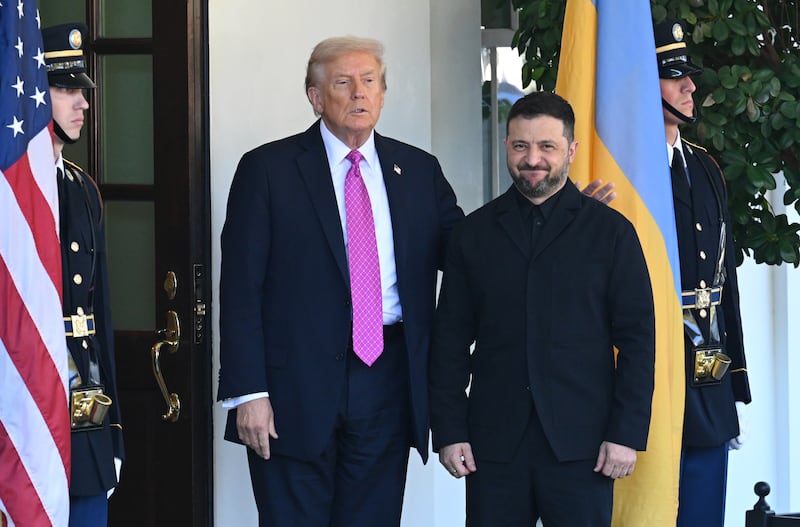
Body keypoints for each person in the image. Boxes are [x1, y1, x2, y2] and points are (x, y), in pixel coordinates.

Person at [216, 36, 464, 526]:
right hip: (292, 391)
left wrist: (562, 213)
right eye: (344, 83)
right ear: (315, 96)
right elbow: (241, 287)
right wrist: (249, 392)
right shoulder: (266, 170)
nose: (359, 94)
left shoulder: (417, 170)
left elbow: (469, 254)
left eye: (369, 82)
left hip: (387, 381)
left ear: (383, 93)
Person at [429, 91, 656, 526]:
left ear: (571, 150)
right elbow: (450, 341)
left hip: (585, 447)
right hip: (492, 448)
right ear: (506, 147)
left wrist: (625, 434)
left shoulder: (612, 233)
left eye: (546, 146)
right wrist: (450, 430)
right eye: (521, 146)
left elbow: (638, 340)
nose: (532, 159)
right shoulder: (472, 234)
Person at [653, 19, 752, 527]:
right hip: (645, 355)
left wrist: (733, 377)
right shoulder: (625, 169)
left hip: (706, 353)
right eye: (676, 77)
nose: (692, 87)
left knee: (704, 499)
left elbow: (724, 281)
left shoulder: (706, 166)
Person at [42, 23, 124, 527]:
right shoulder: (9, 193)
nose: (83, 103)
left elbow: (99, 313)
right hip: (24, 399)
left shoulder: (82, 188)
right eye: (67, 89)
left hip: (83, 398)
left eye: (83, 91)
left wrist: (111, 428)